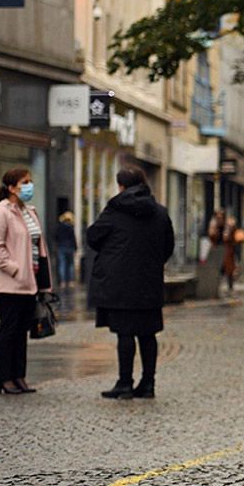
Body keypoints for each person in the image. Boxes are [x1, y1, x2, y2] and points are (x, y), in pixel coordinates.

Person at [88, 166, 175, 400]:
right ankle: (148, 383)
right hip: (149, 282)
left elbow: (93, 237)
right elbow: (168, 246)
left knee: (125, 334)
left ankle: (124, 383)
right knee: (148, 334)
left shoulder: (115, 210)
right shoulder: (160, 212)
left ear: (122, 186)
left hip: (119, 283)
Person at [0, 168, 53, 394]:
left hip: (30, 281)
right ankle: (4, 378)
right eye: (25, 182)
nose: (29, 186)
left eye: (31, 182)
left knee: (22, 331)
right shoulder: (0, 212)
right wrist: (14, 269)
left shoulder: (30, 211)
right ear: (11, 187)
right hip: (10, 283)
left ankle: (19, 376)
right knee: (9, 329)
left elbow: (38, 246)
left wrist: (42, 278)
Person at [54, 211, 77, 288]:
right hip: (70, 247)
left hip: (61, 247)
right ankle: (71, 281)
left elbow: (56, 237)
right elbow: (73, 238)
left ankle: (63, 282)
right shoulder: (71, 227)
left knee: (62, 264)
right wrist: (75, 247)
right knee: (70, 265)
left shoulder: (59, 227)